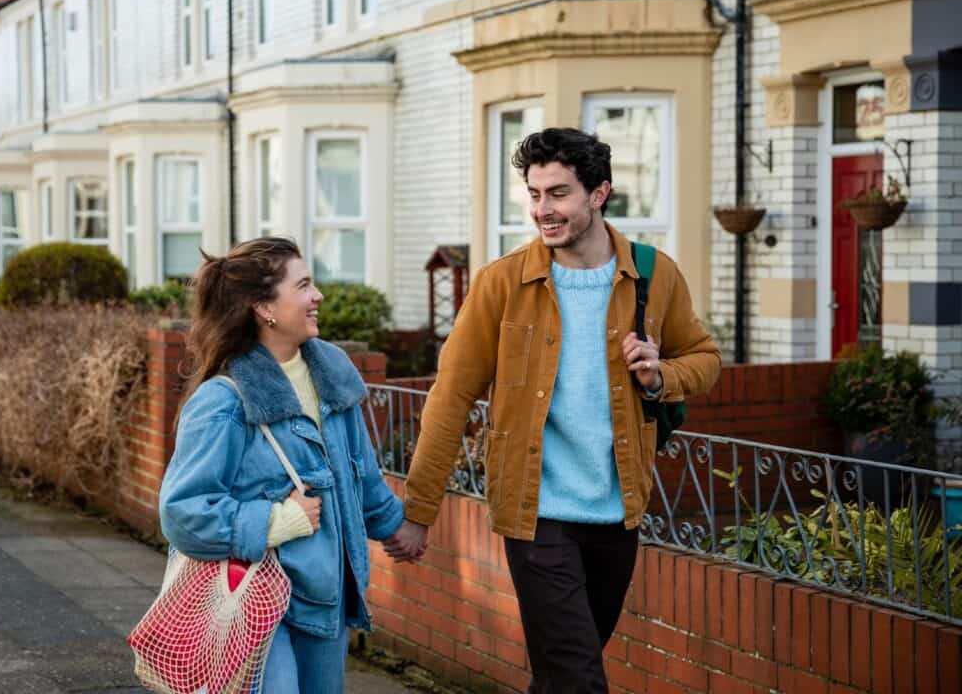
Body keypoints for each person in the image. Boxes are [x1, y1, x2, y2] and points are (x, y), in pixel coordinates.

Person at [389, 128, 722, 693]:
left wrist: (662, 374)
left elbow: (705, 358)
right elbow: (450, 399)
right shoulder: (503, 283)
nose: (543, 209)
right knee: (580, 678)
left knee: (564, 671)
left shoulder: (653, 274)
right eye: (535, 194)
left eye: (559, 193)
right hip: (536, 514)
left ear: (599, 193)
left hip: (619, 513)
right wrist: (420, 509)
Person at [158, 236, 421, 694]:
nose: (317, 296)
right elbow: (182, 512)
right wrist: (277, 521)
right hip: (256, 600)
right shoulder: (224, 400)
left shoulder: (332, 370)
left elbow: (360, 468)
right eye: (303, 286)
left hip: (327, 597)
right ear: (265, 307)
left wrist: (396, 525)